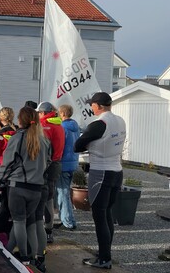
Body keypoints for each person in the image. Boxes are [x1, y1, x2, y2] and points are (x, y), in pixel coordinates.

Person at [74, 92, 126, 269]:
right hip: (117, 171)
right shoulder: (120, 120)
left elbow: (77, 146)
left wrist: (89, 146)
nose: (91, 107)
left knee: (99, 216)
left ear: (99, 106)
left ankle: (104, 258)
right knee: (107, 213)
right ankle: (105, 253)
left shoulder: (98, 124)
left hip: (101, 172)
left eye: (92, 104)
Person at [0, 106, 51, 267]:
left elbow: (7, 162)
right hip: (36, 188)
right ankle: (15, 252)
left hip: (18, 186)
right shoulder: (43, 140)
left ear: (20, 120)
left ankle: (24, 257)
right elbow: (48, 162)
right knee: (26, 222)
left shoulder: (17, 138)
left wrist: (1, 180)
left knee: (19, 222)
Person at [36, 101, 64, 243]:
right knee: (50, 197)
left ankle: (44, 230)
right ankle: (49, 230)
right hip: (57, 163)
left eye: (39, 113)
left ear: (43, 113)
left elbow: (43, 149)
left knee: (43, 197)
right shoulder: (59, 124)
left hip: (47, 165)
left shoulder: (45, 125)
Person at [57, 104, 80, 230]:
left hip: (63, 163)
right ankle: (69, 219)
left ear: (62, 114)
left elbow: (60, 145)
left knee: (62, 192)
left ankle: (67, 221)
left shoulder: (62, 127)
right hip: (73, 162)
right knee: (66, 192)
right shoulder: (76, 127)